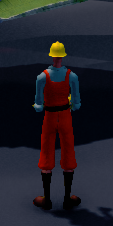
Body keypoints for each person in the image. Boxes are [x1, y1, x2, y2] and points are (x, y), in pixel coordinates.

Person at [32, 41, 83, 210]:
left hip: (50, 116)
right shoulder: (71, 76)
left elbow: (38, 105)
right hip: (65, 115)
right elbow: (77, 104)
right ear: (62, 56)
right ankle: (67, 198)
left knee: (46, 151)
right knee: (68, 151)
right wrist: (70, 103)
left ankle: (46, 199)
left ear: (52, 56)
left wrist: (40, 105)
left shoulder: (42, 77)